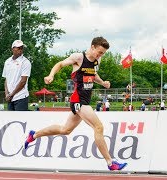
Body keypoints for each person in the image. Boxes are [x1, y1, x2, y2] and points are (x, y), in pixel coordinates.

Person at [24, 37, 127, 171]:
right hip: (78, 100)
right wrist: (51, 75)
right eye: (99, 52)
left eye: (103, 53)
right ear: (93, 47)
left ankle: (34, 135)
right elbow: (60, 64)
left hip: (86, 100)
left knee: (65, 130)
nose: (100, 55)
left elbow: (93, 75)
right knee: (98, 127)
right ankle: (110, 162)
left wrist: (102, 82)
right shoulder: (78, 57)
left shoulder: (97, 60)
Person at [2, 40, 32, 111]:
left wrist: (11, 94)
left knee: (21, 121)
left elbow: (23, 82)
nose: (20, 49)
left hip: (21, 97)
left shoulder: (25, 62)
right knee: (10, 121)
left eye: (21, 47)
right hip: (10, 98)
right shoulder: (7, 62)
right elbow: (6, 80)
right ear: (12, 49)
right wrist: (7, 94)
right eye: (18, 48)